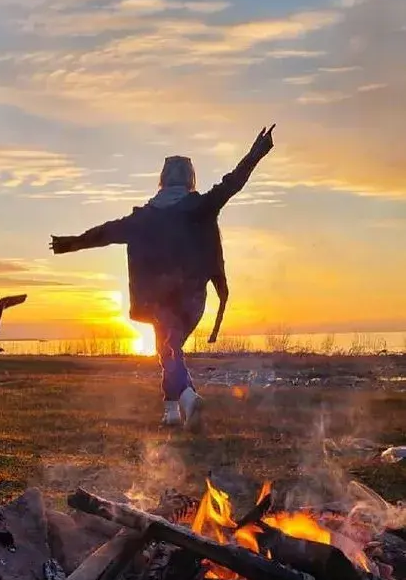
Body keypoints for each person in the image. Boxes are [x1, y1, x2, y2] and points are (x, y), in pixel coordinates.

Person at [50, 125, 276, 430]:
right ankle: (174, 408)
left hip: (156, 299)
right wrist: (256, 152)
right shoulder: (200, 207)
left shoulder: (143, 219)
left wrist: (70, 243)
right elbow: (232, 183)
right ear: (190, 180)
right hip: (191, 297)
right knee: (169, 346)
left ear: (162, 180)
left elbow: (103, 233)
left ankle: (183, 397)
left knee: (168, 346)